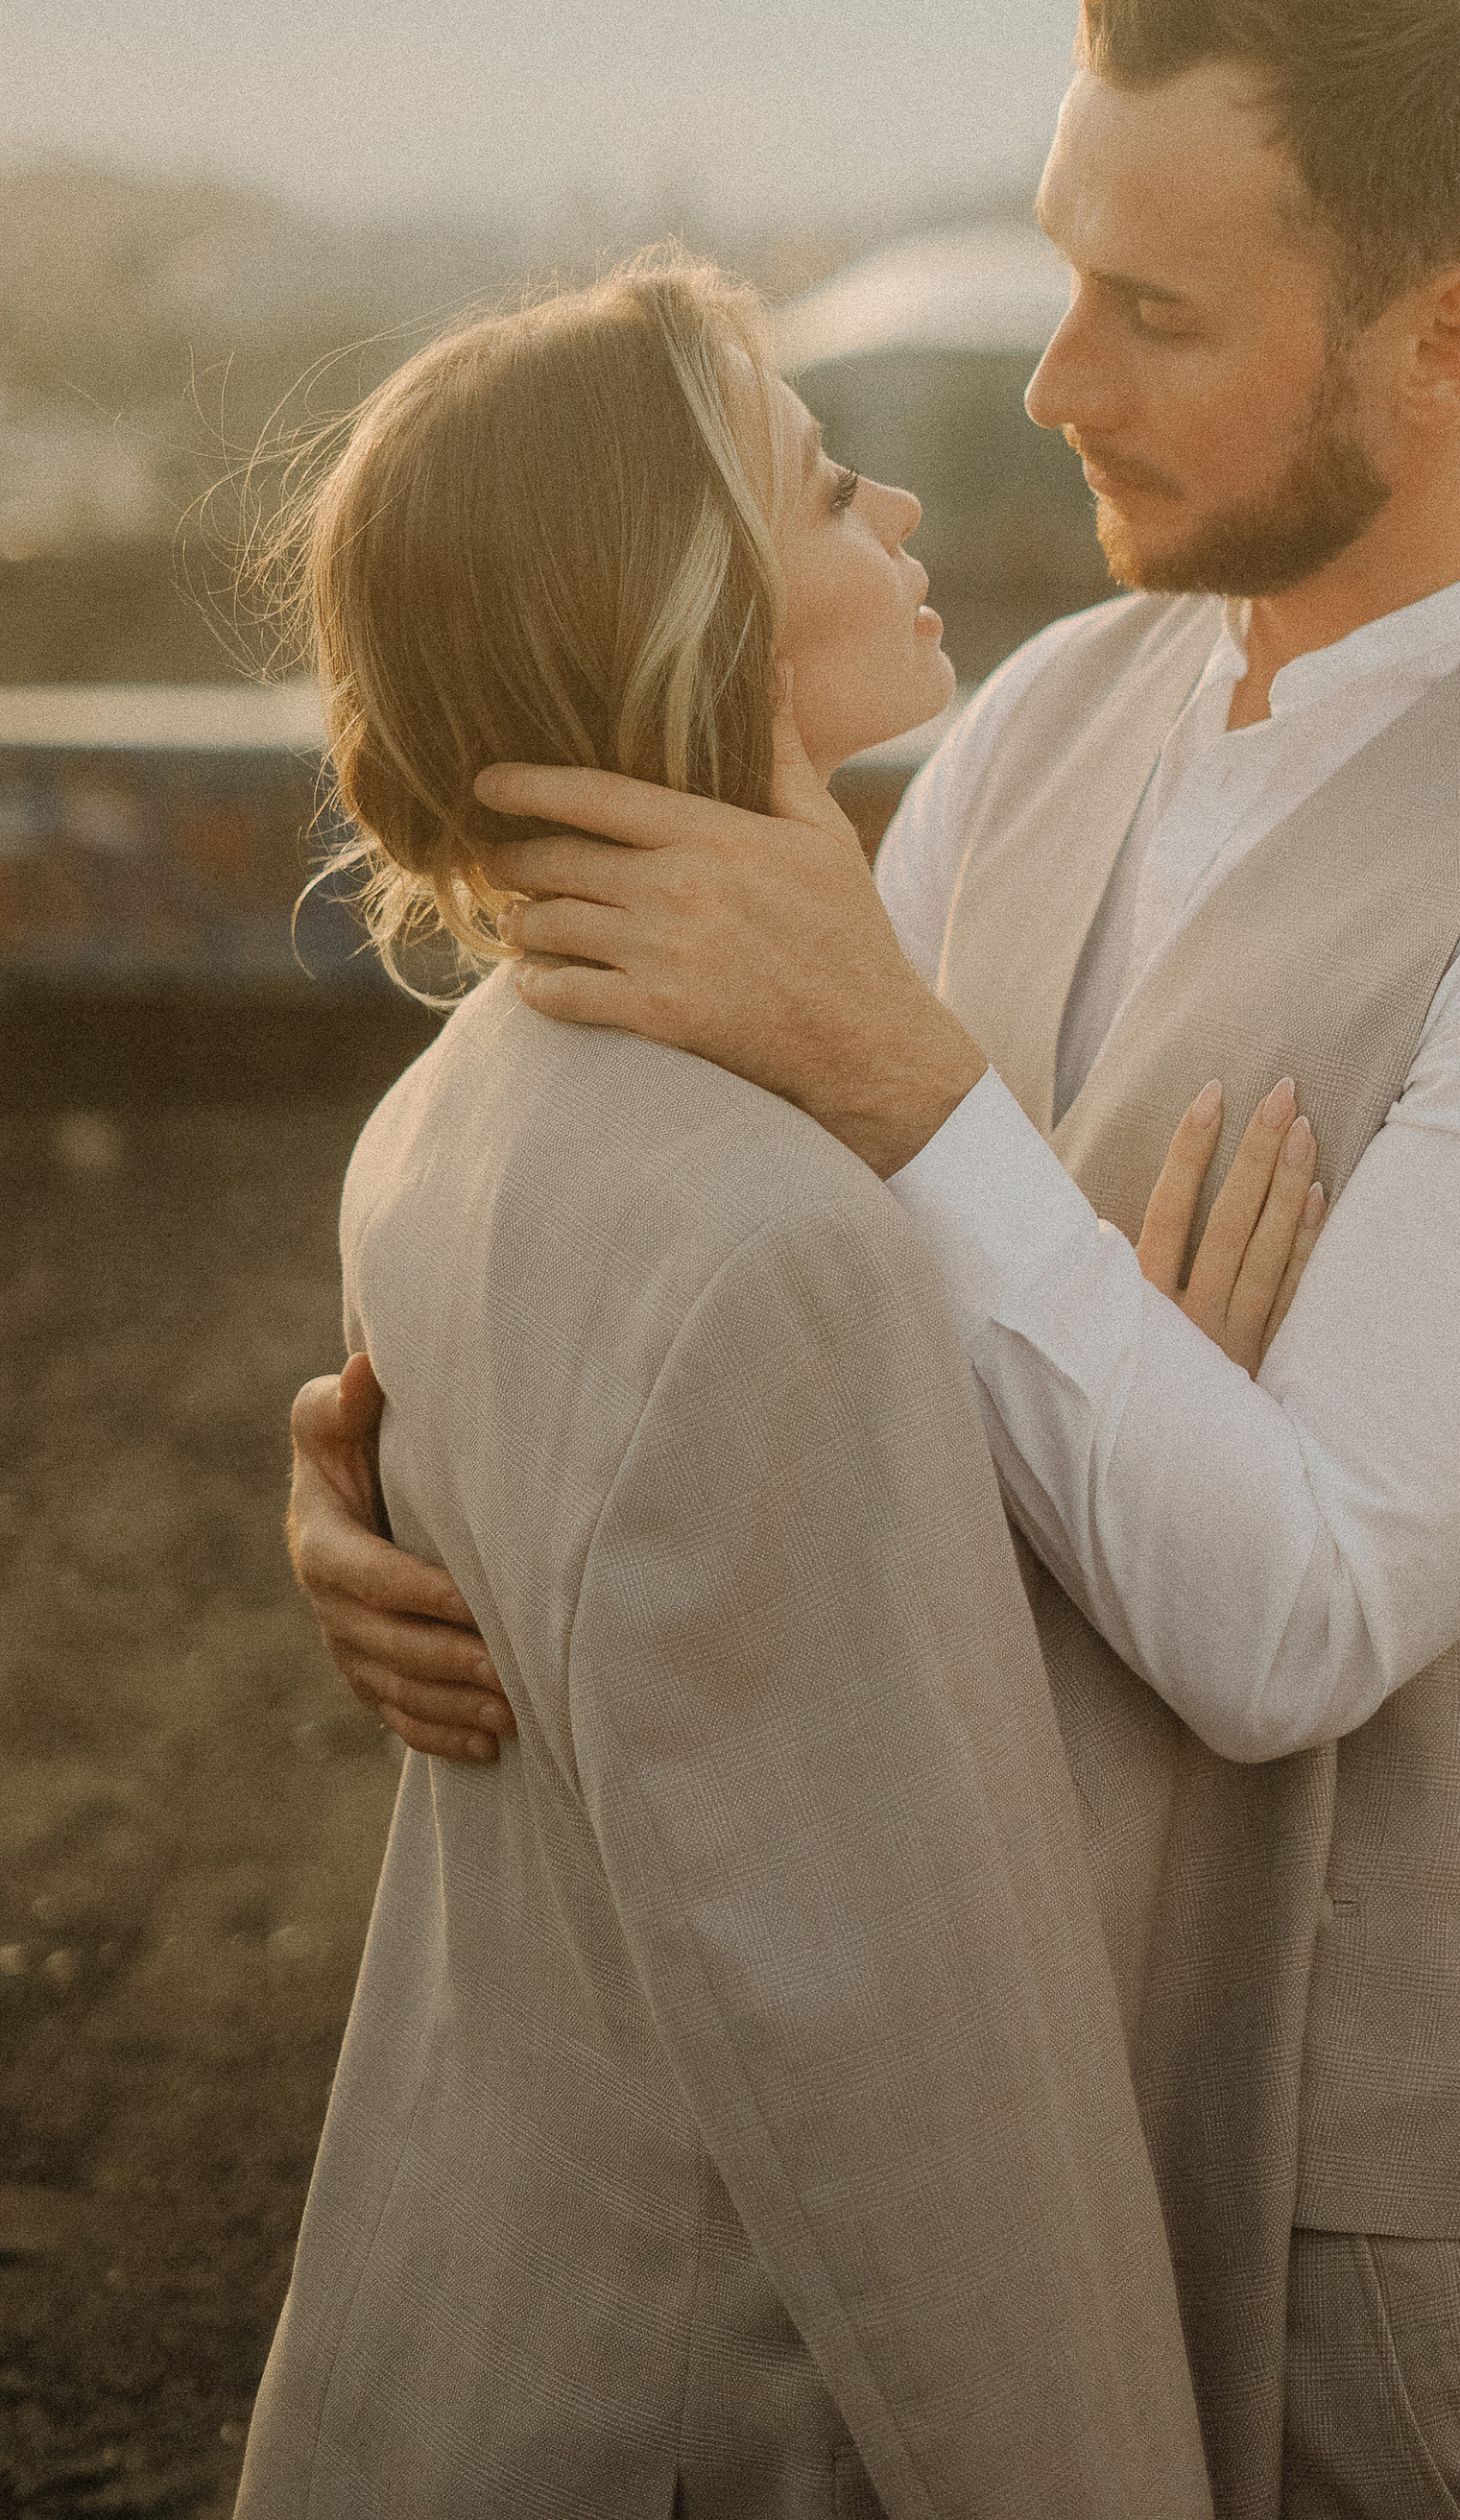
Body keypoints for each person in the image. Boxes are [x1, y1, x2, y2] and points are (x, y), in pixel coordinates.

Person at [292, 0, 1460, 2519]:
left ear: (1450, 337)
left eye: (1153, 313)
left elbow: (1284, 1611)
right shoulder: (1053, 715)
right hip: (976, 2191)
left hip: (1376, 2297)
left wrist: (926, 1098)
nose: (1051, 383)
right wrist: (412, 1479)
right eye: (1062, 265)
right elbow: (779, 1306)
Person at [239, 255, 1256, 2520]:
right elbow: (913, 2084)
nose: (896, 499)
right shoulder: (771, 1250)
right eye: (816, 485)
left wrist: (1114, 1364)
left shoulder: (451, 1098)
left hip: (465, 2326)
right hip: (706, 2417)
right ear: (686, 604)